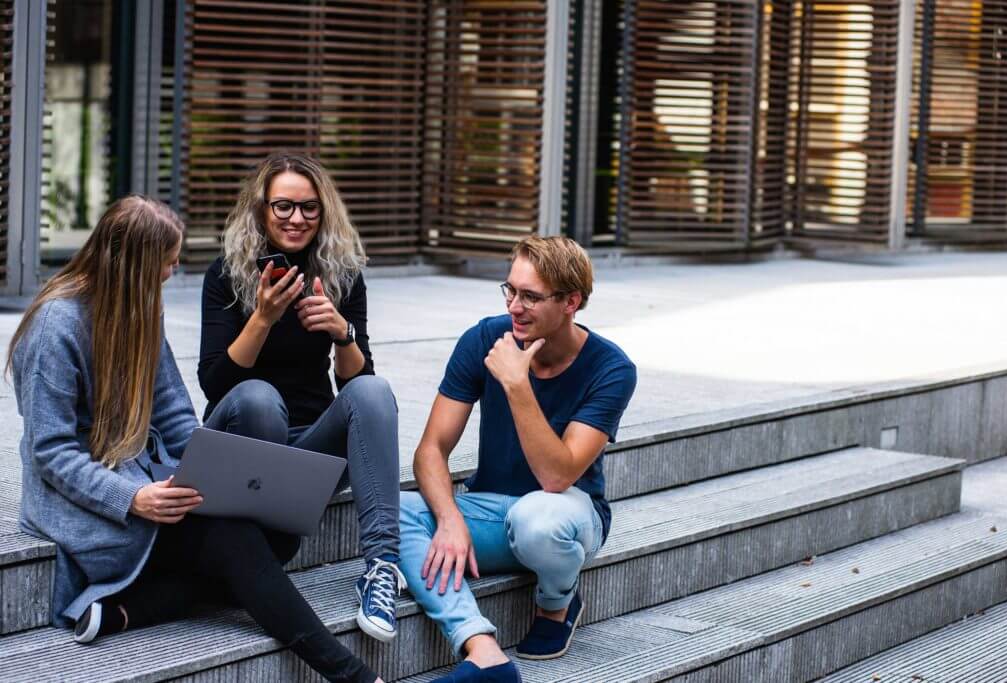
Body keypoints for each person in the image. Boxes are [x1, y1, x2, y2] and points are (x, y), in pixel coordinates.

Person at [9, 196, 383, 683]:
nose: (172, 271)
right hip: (87, 500)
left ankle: (130, 609)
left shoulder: (141, 308)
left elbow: (175, 416)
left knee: (277, 537)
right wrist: (133, 498)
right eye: (167, 262)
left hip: (148, 480)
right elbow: (51, 452)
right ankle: (354, 676)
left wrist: (221, 470)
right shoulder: (55, 326)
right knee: (238, 543)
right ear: (134, 262)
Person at [398, 236, 637, 683]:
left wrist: (517, 384)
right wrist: (449, 519)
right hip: (490, 508)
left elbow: (557, 474)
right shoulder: (484, 338)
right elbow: (431, 449)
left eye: (530, 296)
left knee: (538, 519)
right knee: (395, 511)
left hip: (566, 512)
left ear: (571, 302)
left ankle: (557, 603)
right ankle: (481, 650)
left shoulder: (612, 369)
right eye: (510, 290)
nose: (514, 306)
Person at [198, 151, 403, 643]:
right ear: (262, 209)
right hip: (243, 441)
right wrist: (263, 318)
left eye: (309, 208)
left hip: (309, 452)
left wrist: (342, 333)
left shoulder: (341, 273)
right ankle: (259, 554)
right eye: (283, 206)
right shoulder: (226, 274)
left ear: (324, 211)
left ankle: (381, 569)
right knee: (259, 399)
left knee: (374, 391)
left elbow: (358, 386)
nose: (296, 219)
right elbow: (215, 384)